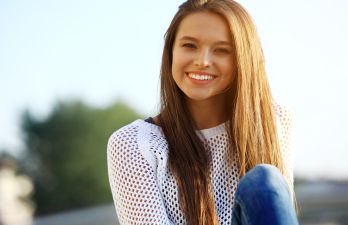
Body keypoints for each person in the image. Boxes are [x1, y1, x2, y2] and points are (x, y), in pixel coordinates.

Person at [107, 0, 299, 224]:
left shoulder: (274, 121)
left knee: (264, 182)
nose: (202, 61)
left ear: (242, 60)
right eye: (189, 45)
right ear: (170, 52)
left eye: (221, 50)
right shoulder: (134, 143)